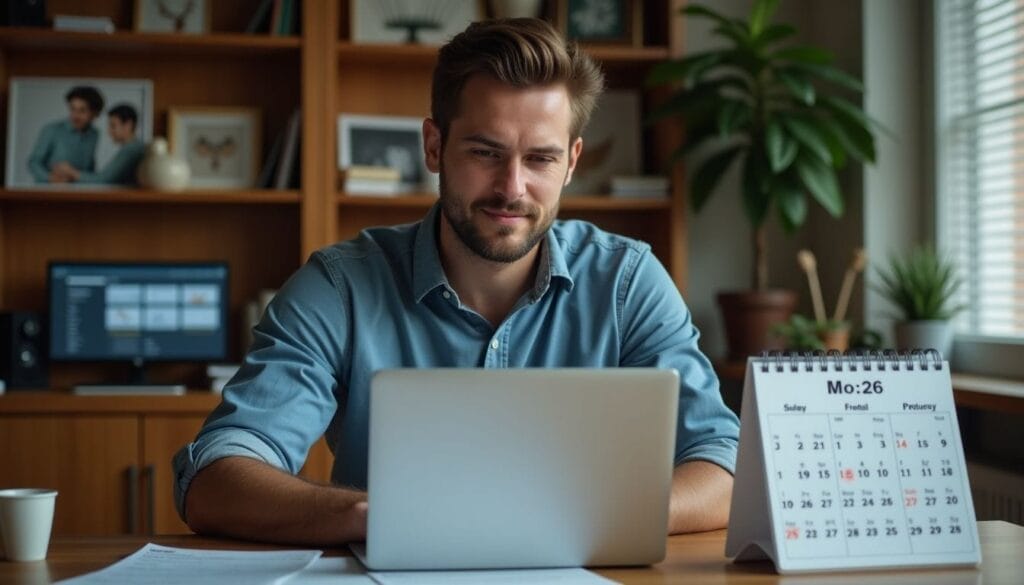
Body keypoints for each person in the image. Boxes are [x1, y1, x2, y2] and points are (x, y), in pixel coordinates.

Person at [174, 18, 740, 546]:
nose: (512, 188)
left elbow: (723, 461)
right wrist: (368, 515)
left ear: (571, 163)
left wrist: (594, 516)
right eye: (485, 152)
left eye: (539, 159)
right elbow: (217, 472)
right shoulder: (340, 286)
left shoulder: (627, 281)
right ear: (434, 146)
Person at [50, 104, 146, 185]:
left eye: (113, 126)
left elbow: (104, 179)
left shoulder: (131, 150)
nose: (109, 131)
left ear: (128, 125)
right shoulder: (134, 148)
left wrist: (71, 172)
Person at [27, 86, 103, 184]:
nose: (75, 115)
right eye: (72, 109)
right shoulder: (52, 130)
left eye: (82, 110)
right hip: (49, 190)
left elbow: (89, 167)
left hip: (79, 192)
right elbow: (33, 162)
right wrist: (51, 178)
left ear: (95, 113)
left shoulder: (94, 134)